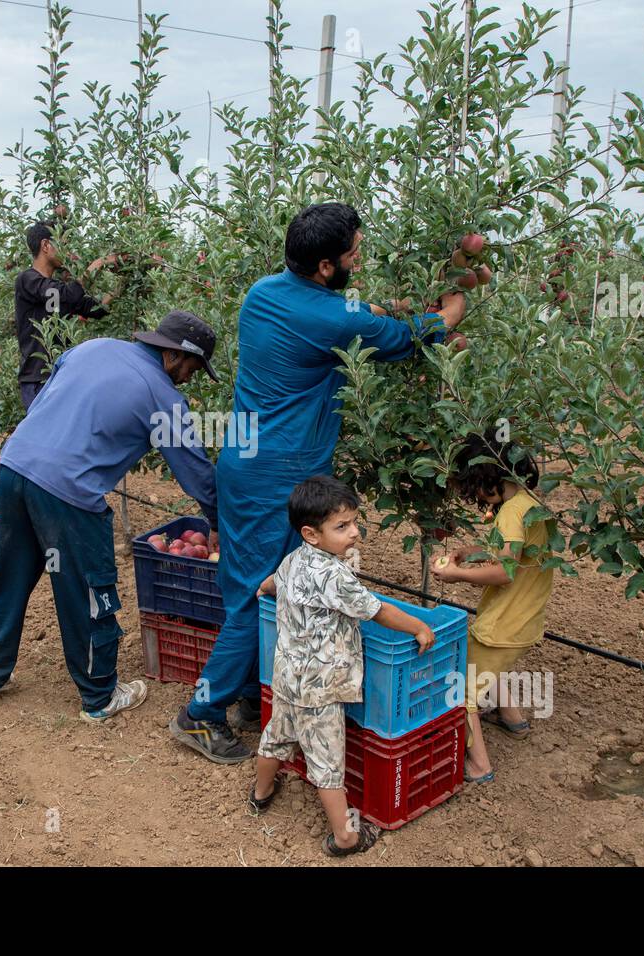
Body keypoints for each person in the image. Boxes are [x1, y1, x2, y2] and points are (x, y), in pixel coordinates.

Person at [170, 202, 468, 763]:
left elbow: (354, 309)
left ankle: (247, 698)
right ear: (328, 265)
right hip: (280, 479)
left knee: (249, 588)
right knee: (258, 592)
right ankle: (201, 713)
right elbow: (414, 337)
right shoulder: (337, 319)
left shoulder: (262, 294)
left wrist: (393, 302)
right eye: (355, 253)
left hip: (243, 465)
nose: (361, 258)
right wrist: (454, 304)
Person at [0, 310, 221, 722]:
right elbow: (195, 474)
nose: (191, 376)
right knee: (89, 591)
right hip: (68, 493)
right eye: (194, 367)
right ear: (176, 356)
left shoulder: (90, 348)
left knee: (8, 577)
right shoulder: (163, 397)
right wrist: (217, 522)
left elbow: (45, 403)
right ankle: (100, 696)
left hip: (14, 467)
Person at [249, 476, 435, 856]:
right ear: (311, 533)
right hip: (321, 688)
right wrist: (418, 626)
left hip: (289, 676)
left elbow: (275, 580)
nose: (354, 533)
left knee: (277, 734)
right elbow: (378, 611)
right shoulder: (333, 576)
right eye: (342, 526)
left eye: (354, 522)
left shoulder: (295, 558)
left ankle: (261, 792)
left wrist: (265, 588)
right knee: (327, 760)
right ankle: (346, 837)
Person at [430, 427, 555, 784]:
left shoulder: (511, 514)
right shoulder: (527, 503)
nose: (477, 499)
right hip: (524, 619)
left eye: (474, 490)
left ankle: (479, 765)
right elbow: (511, 552)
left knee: (461, 692)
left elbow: (505, 571)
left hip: (503, 624)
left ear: (486, 480)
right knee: (487, 668)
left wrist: (457, 575)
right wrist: (470, 553)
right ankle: (513, 719)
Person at [14, 221, 120, 412]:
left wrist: (123, 281)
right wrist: (98, 264)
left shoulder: (56, 289)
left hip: (60, 377)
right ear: (46, 245)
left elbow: (95, 310)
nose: (69, 251)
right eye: (64, 244)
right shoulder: (28, 280)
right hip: (38, 379)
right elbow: (68, 294)